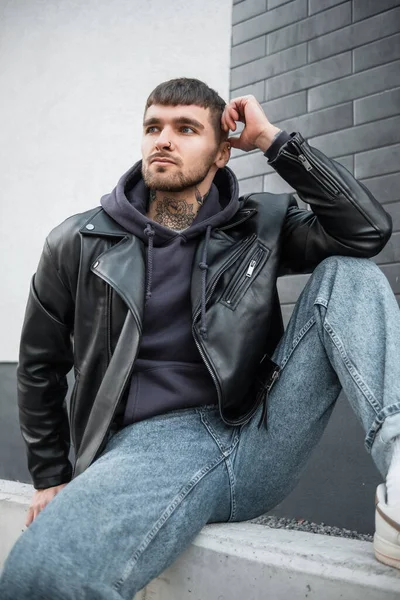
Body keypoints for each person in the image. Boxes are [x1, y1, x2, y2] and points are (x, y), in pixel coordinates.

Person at [0, 77, 399, 599]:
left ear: (220, 155)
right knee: (46, 574)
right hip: (151, 446)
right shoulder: (78, 241)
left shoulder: (262, 223)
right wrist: (51, 477)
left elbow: (365, 232)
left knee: (351, 273)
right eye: (153, 128)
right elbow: (39, 366)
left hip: (262, 430)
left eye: (186, 128)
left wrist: (275, 142)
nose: (163, 139)